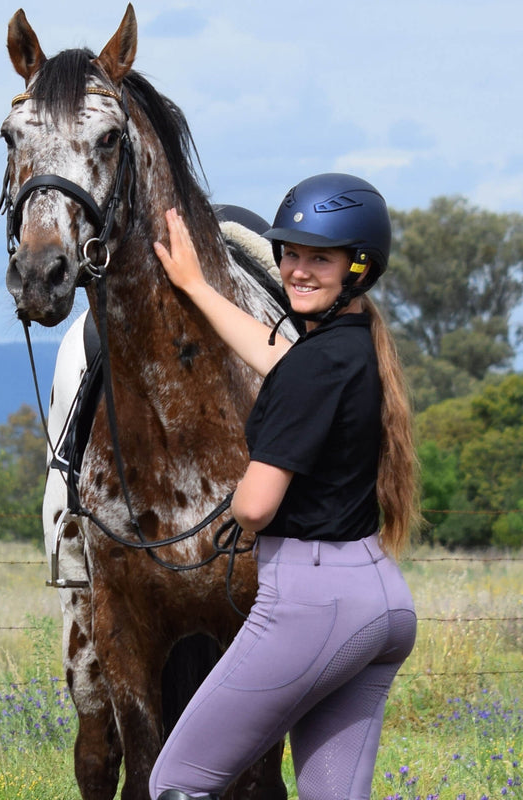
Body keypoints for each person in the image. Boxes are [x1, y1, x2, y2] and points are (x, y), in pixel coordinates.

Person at [149, 173, 419, 800]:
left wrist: (236, 506)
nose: (297, 269)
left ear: (357, 266)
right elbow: (277, 360)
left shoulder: (316, 366)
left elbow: (255, 503)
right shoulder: (355, 350)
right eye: (290, 253)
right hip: (379, 600)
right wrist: (195, 285)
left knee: (178, 781)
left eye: (318, 257)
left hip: (311, 602)